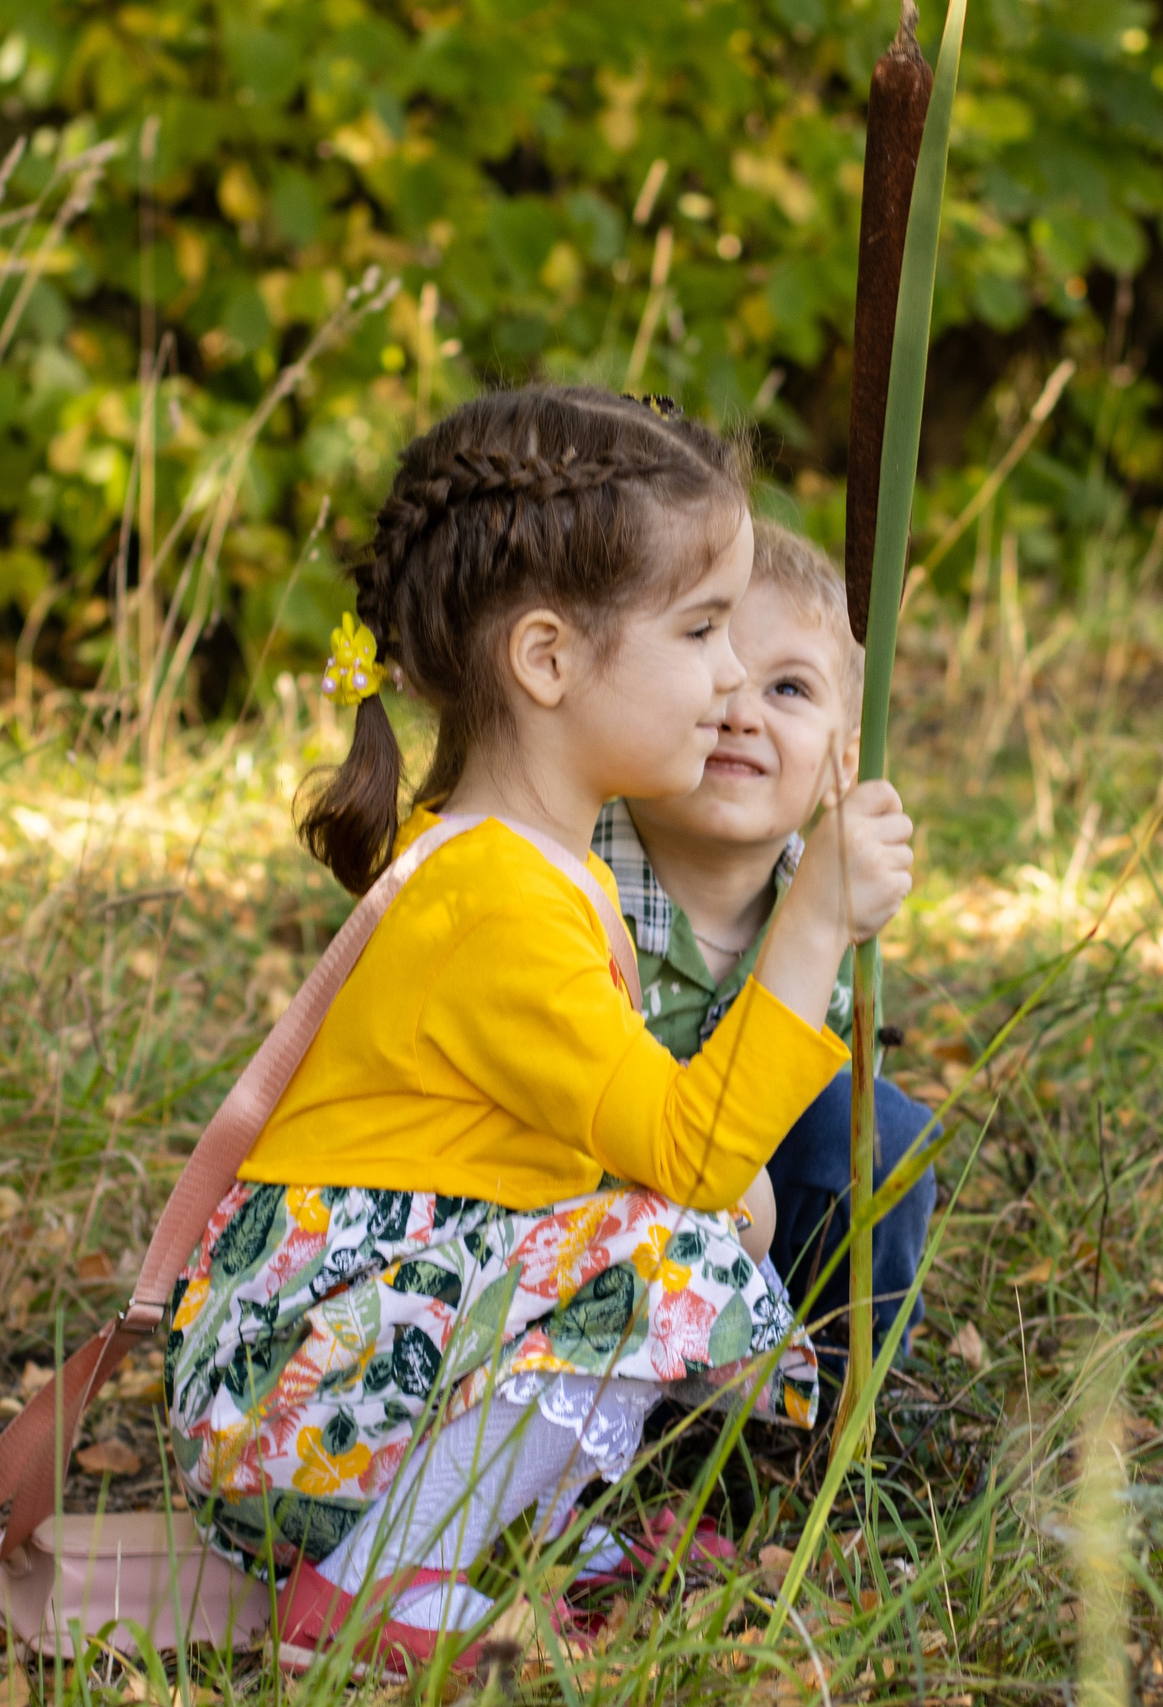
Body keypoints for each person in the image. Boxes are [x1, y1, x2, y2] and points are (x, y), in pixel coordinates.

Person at [160, 388, 915, 1678]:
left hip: (330, 1356)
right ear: (549, 661)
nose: (732, 677)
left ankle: (485, 1540)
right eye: (700, 630)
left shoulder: (517, 863)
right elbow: (686, 1151)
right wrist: (811, 926)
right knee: (679, 1256)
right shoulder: (501, 900)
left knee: (690, 1233)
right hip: (292, 1378)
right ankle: (371, 1580)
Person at [592, 520, 939, 1365]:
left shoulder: (828, 898)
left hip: (753, 1244)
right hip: (587, 1236)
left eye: (788, 689)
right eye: (715, 670)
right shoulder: (577, 869)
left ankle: (839, 1395)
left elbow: (817, 1128)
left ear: (841, 765)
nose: (741, 710)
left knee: (878, 1135)